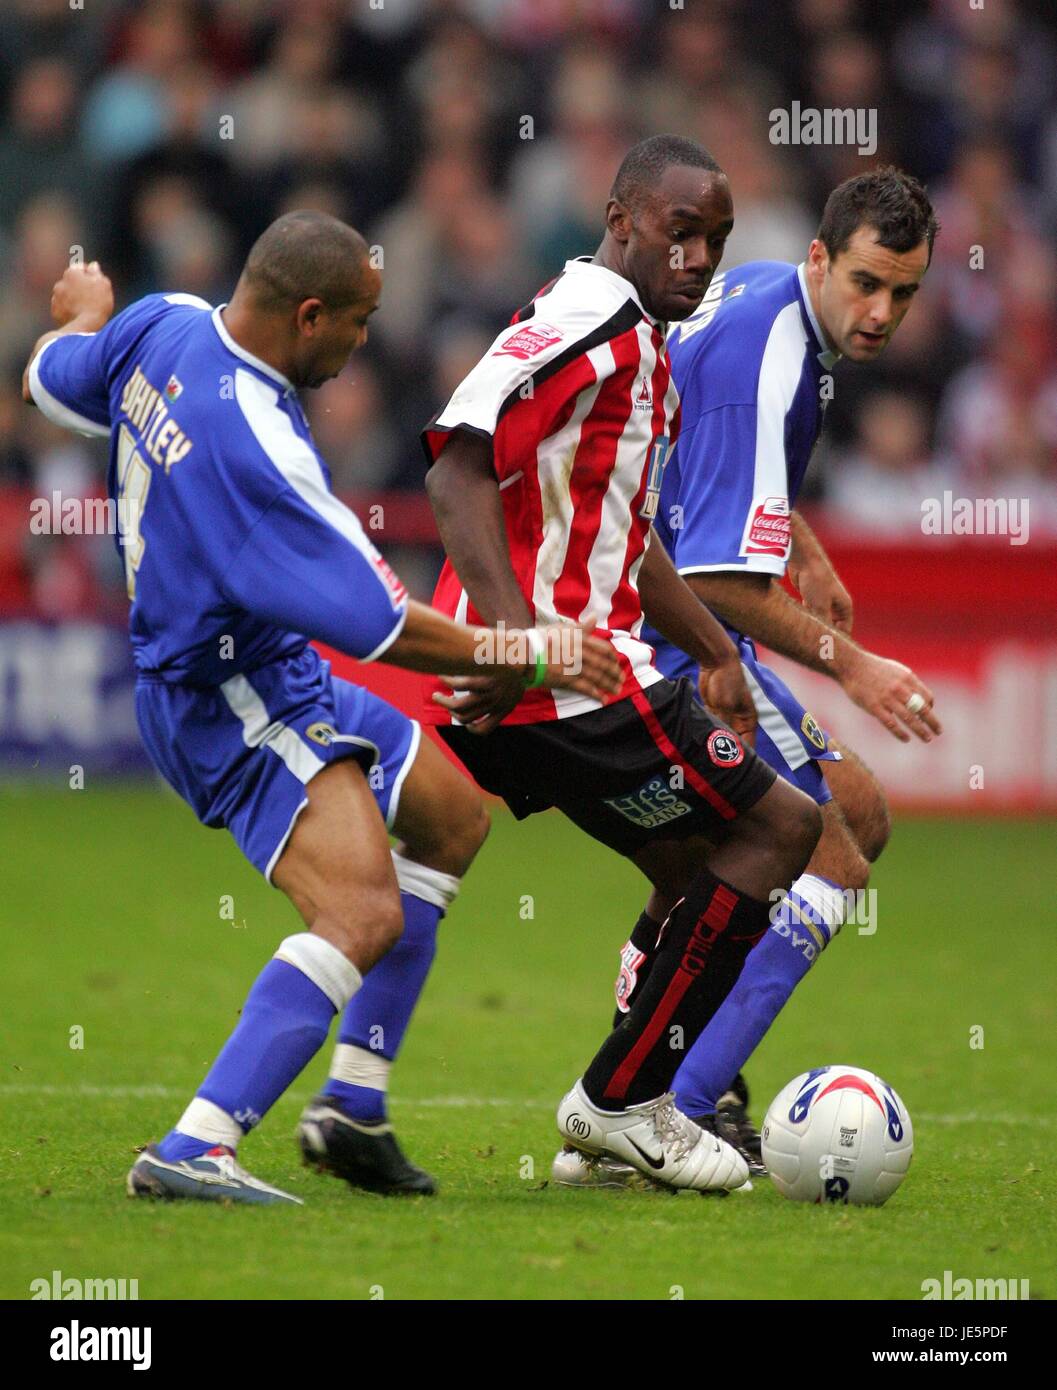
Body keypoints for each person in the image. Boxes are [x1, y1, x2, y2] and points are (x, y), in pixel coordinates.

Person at [22, 211, 621, 1206]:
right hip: (229, 701)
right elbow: (381, 626)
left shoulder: (163, 322)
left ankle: (352, 1106)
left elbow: (53, 378)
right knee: (361, 910)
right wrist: (526, 648)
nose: (361, 343)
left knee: (449, 814)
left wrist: (84, 321)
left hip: (269, 668)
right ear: (308, 315)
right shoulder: (254, 446)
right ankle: (197, 1144)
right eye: (356, 322)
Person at [422, 135, 823, 1194]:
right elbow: (461, 459)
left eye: (716, 239)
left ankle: (609, 1134)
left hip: (558, 685)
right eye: (679, 230)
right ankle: (622, 1099)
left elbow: (620, 535)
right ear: (620, 216)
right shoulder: (583, 317)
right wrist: (515, 637)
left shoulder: (642, 344)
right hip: (560, 682)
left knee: (690, 867)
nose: (697, 255)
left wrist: (705, 647)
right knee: (787, 825)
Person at [559, 166, 943, 1187]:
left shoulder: (783, 304)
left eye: (903, 294)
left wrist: (805, 550)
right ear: (820, 257)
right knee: (832, 850)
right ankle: (662, 1112)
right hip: (656, 624)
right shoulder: (768, 352)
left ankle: (652, 1084)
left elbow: (723, 458)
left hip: (658, 605)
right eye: (865, 283)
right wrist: (854, 667)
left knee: (831, 823)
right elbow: (720, 578)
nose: (880, 313)